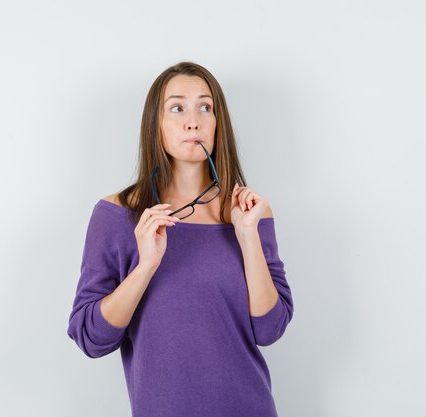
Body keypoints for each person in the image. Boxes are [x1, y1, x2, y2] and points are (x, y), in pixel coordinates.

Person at [66, 61, 294, 417]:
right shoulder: (116, 216)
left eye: (205, 107)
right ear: (155, 126)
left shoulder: (251, 212)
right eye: (177, 108)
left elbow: (269, 328)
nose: (194, 120)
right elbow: (91, 338)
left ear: (218, 124)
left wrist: (247, 235)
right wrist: (145, 267)